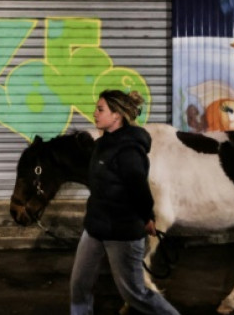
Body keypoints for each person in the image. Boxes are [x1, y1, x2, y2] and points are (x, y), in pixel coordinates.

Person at [70, 90, 180, 315]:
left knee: (135, 293)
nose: (95, 113)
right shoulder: (104, 142)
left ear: (117, 115)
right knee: (79, 285)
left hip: (121, 232)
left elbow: (139, 189)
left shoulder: (129, 150)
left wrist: (147, 217)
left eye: (101, 110)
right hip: (95, 228)